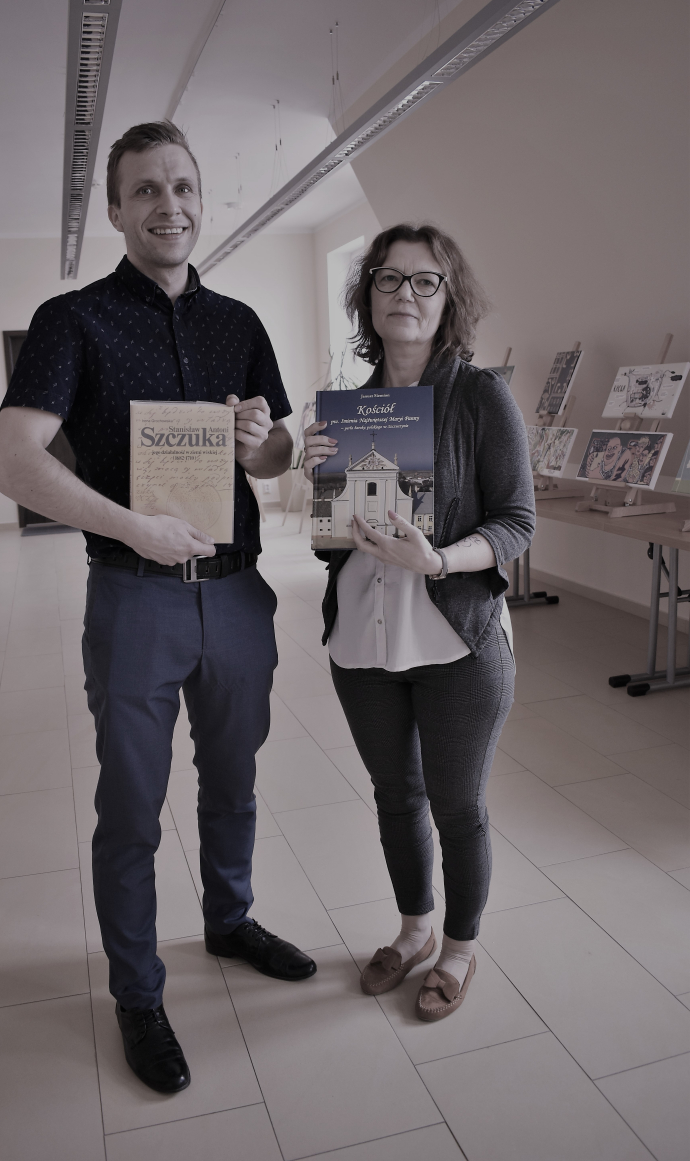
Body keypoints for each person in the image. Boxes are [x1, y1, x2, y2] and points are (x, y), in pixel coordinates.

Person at [0, 121, 316, 1096]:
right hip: (135, 599)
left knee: (233, 780)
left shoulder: (239, 323)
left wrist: (259, 444)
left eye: (183, 187)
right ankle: (137, 993)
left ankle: (229, 920)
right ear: (116, 209)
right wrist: (133, 526)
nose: (169, 205)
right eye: (146, 190)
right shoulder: (73, 320)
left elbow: (280, 454)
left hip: (239, 595)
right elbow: (11, 462)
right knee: (132, 807)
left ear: (200, 199)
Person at [304, 224, 535, 1020]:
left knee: (456, 805)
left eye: (425, 280)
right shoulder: (351, 405)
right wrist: (320, 483)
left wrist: (437, 560)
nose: (406, 294)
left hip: (455, 641)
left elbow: (517, 523)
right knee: (394, 795)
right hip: (360, 640)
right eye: (389, 278)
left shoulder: (480, 396)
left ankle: (459, 948)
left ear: (449, 297)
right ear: (367, 295)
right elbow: (330, 545)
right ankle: (414, 929)